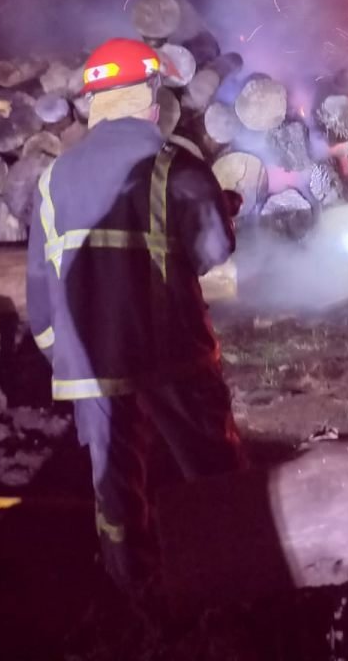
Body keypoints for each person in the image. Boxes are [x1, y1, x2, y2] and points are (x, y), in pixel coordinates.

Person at [26, 37, 243, 589]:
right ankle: (229, 588)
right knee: (213, 475)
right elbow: (214, 251)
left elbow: (40, 290)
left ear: (96, 104)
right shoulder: (174, 165)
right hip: (172, 356)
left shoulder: (52, 179)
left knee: (115, 490)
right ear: (149, 96)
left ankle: (133, 596)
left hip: (91, 367)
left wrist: (65, 356)